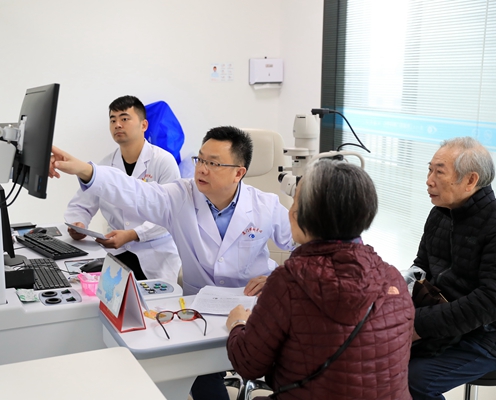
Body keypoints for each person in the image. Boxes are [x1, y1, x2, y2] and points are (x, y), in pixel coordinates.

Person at [50, 125, 294, 400]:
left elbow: (305, 246)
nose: (202, 169)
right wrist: (86, 170)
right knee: (198, 371)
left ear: (239, 173)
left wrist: (278, 277)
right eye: (200, 159)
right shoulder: (179, 196)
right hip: (200, 306)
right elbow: (133, 191)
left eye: (213, 163)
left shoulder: (266, 205)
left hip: (252, 304)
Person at [226, 159, 415, 399]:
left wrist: (238, 323)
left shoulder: (288, 282)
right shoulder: (393, 278)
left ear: (304, 216)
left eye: (296, 203)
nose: (290, 211)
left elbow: (248, 364)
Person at [408, 137, 496, 400]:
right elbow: (421, 267)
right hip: (443, 324)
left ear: (470, 180)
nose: (429, 180)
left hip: (485, 334)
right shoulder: (440, 212)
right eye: (429, 170)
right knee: (374, 356)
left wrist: (418, 325)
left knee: (414, 381)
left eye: (439, 172)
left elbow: (488, 302)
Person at [65, 95, 180, 281]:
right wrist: (79, 224)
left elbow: (171, 215)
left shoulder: (163, 161)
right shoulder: (105, 164)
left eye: (124, 119)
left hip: (155, 254)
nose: (117, 125)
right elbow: (81, 205)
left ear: (144, 125)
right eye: (113, 120)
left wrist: (132, 234)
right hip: (117, 252)